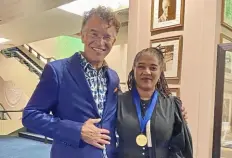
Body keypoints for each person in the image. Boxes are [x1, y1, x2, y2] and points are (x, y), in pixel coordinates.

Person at [22, 6, 188, 158]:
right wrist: (77, 130)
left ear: (114, 41)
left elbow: (128, 107)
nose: (100, 42)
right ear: (82, 35)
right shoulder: (57, 71)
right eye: (94, 34)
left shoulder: (113, 77)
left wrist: (170, 111)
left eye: (107, 36)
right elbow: (30, 116)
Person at [116, 47, 193, 158]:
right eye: (141, 66)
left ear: (160, 71)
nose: (147, 72)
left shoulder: (172, 106)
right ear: (134, 68)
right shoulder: (119, 102)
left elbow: (180, 148)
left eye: (153, 68)